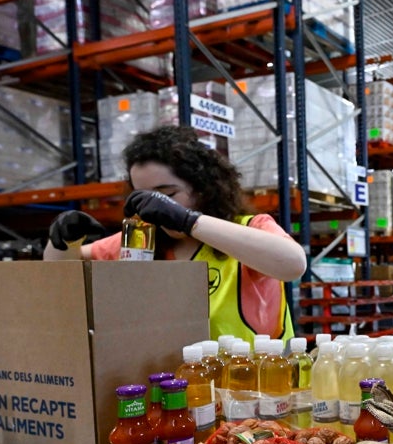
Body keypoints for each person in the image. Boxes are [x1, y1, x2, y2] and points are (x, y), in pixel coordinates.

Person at [43, 125, 308, 341]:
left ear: (203, 188)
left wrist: (190, 221)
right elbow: (61, 275)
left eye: (168, 196)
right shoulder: (141, 241)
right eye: (145, 198)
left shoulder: (249, 228)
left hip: (255, 394)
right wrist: (63, 241)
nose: (156, 209)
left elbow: (293, 264)